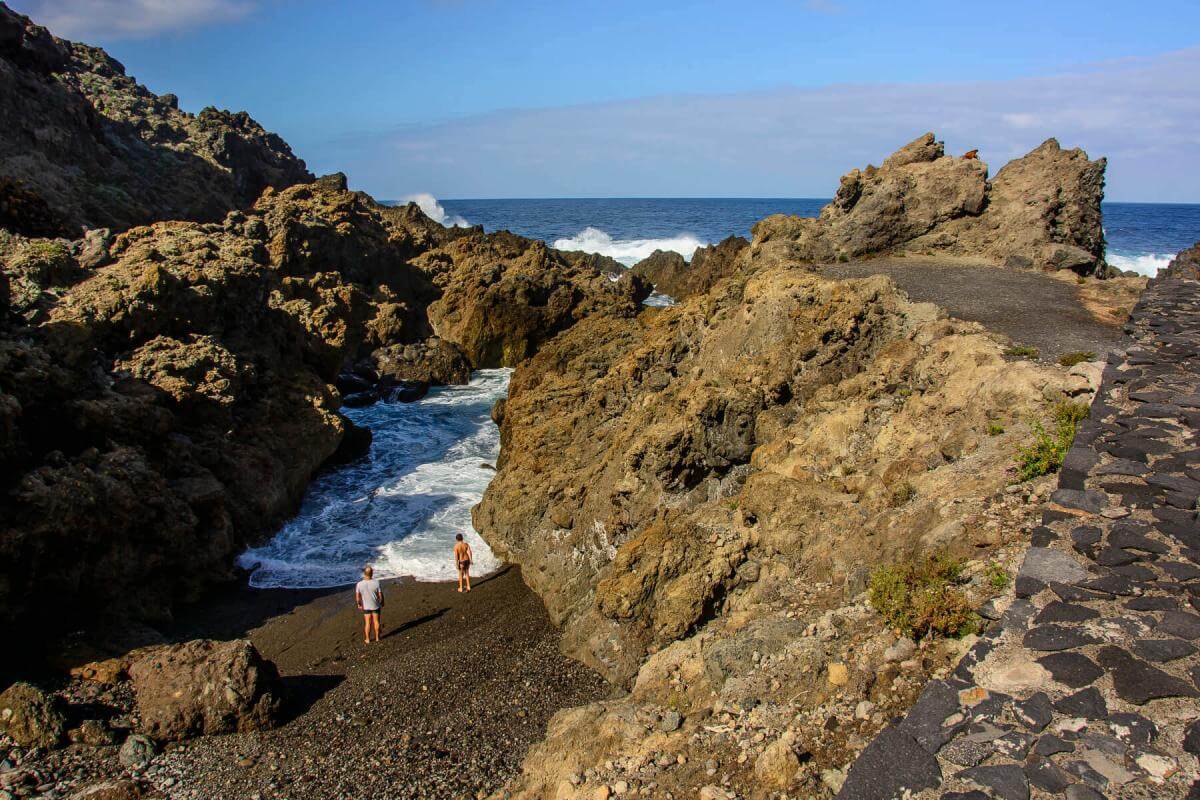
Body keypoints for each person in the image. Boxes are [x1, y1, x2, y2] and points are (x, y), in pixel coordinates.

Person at [355, 566, 383, 644]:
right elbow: (380, 595)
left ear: (364, 574)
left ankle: (368, 639)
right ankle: (377, 638)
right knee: (376, 621)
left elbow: (357, 597)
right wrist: (382, 602)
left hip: (366, 606)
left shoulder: (359, 584)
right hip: (375, 605)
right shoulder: (376, 582)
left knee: (367, 623)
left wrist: (359, 604)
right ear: (372, 573)